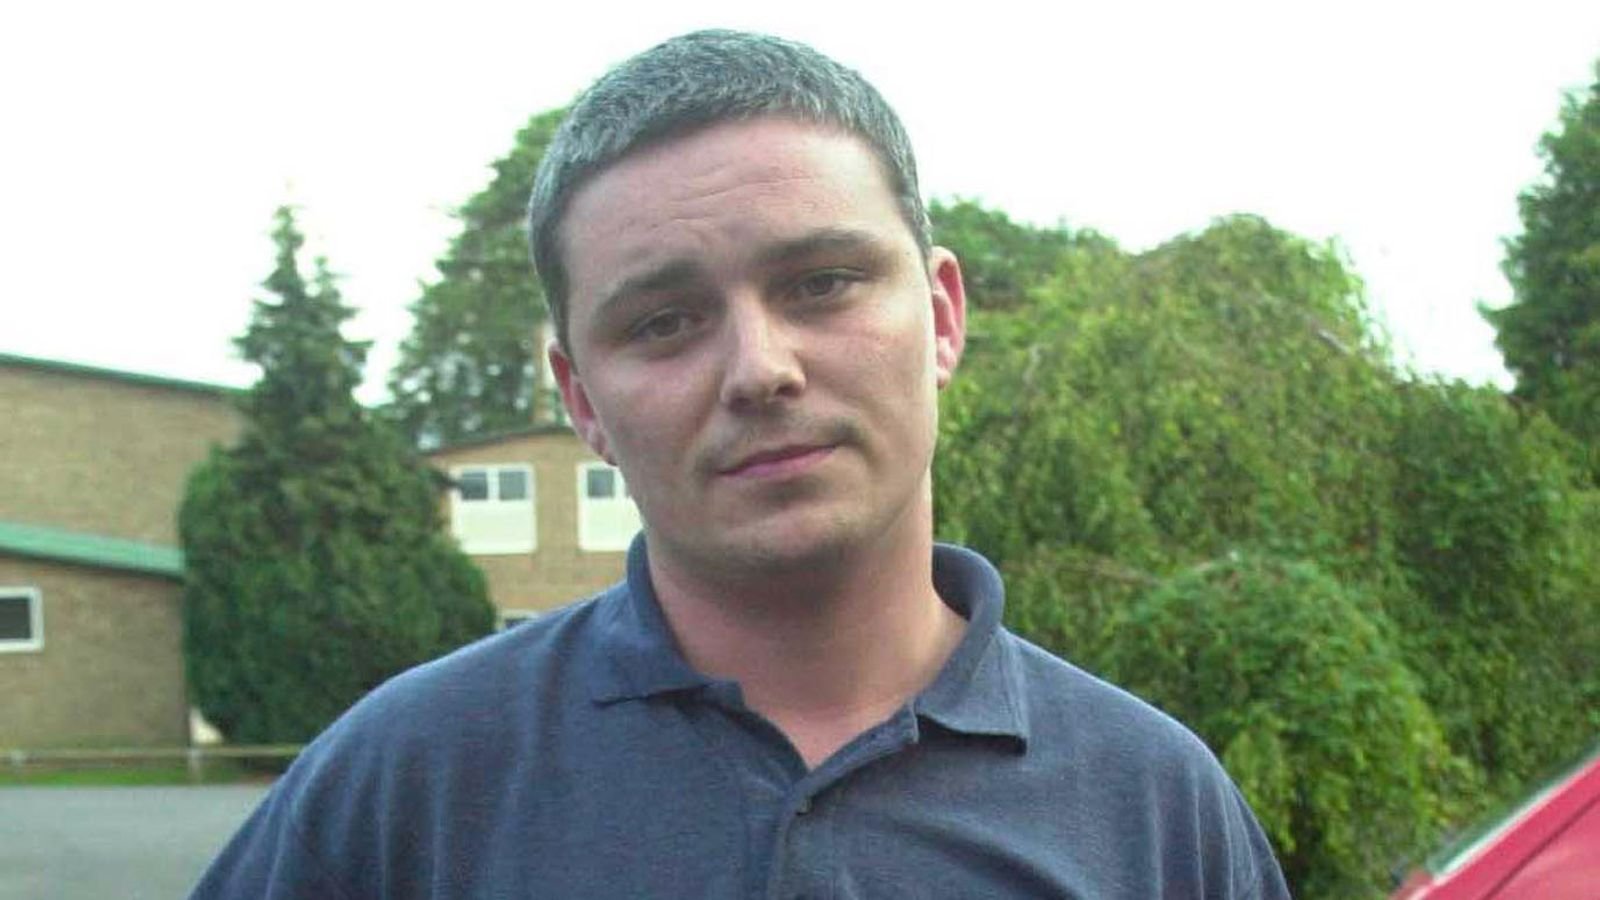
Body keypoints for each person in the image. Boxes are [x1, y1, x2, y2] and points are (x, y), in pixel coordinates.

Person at [193, 30, 1291, 899]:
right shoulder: (406, 787)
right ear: (583, 401)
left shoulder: (1154, 807)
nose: (760, 369)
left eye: (821, 284)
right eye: (664, 322)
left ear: (944, 316)